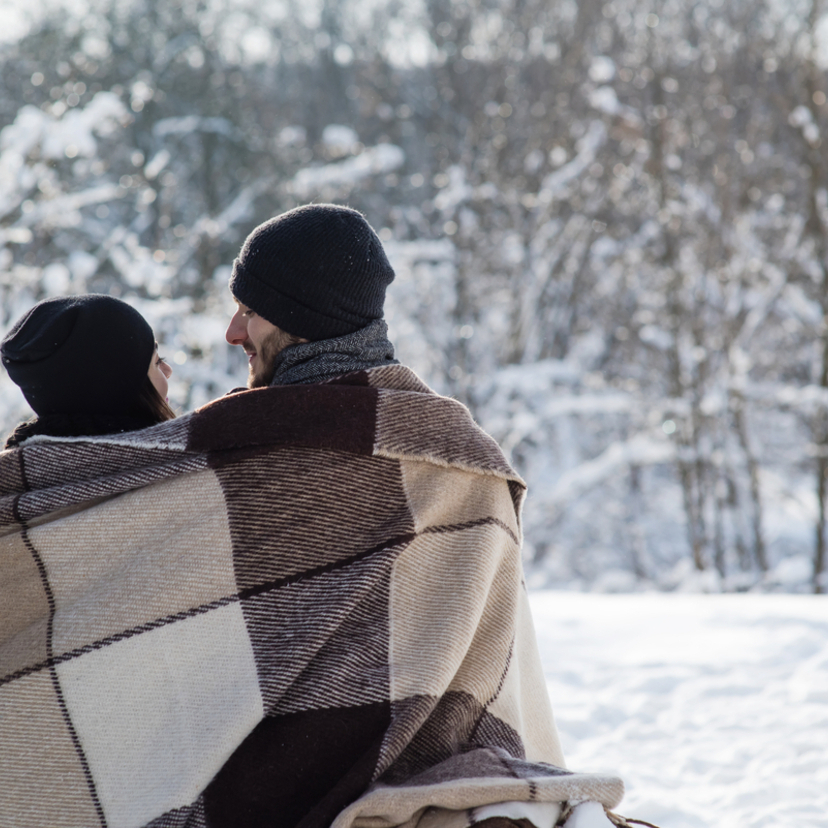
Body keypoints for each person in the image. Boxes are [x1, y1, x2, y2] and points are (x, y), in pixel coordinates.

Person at [0, 207, 628, 828]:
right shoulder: (460, 463)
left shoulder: (247, 450)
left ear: (299, 319)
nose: (231, 333)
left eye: (249, 310)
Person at [1, 293, 174, 448]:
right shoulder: (181, 471)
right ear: (114, 388)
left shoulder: (18, 475)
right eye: (157, 362)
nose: (168, 371)